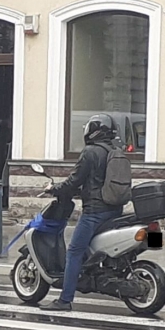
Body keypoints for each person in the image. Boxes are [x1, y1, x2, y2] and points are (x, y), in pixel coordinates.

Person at [40, 114, 125, 312]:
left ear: (93, 130)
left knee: (74, 251)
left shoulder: (90, 152)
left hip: (95, 212)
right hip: (115, 209)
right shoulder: (115, 151)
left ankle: (65, 300)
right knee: (91, 248)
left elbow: (75, 180)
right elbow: (98, 183)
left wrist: (54, 189)